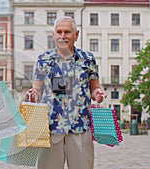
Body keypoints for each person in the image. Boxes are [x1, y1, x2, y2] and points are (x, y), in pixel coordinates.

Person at [25, 16, 107, 169]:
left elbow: (95, 87)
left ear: (76, 34)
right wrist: (32, 95)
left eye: (67, 32)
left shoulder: (88, 59)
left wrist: (98, 94)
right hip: (50, 128)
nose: (62, 36)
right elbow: (37, 90)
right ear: (54, 35)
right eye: (59, 32)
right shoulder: (43, 60)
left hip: (80, 127)